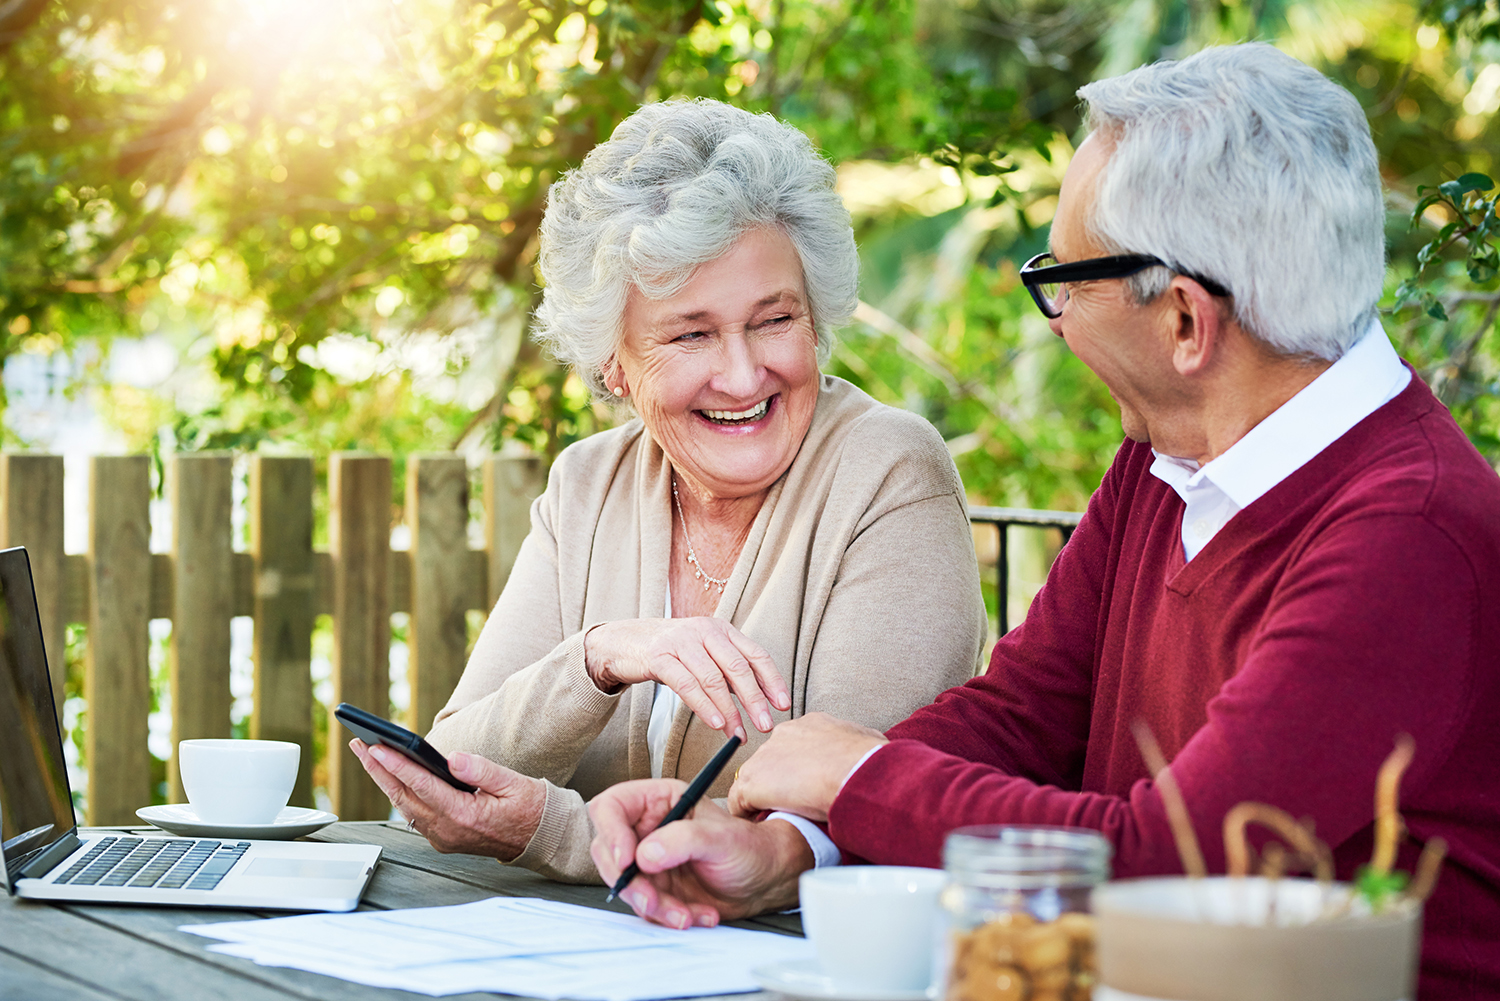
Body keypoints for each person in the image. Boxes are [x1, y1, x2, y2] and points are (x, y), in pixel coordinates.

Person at [587, 45, 1500, 997]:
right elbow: (1021, 716)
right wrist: (796, 841)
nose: (1053, 321)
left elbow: (1175, 862)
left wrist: (858, 778)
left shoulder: (1409, 535)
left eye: (1064, 281)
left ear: (1186, 322)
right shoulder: (1168, 460)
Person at [349, 98, 987, 885]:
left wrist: (558, 831)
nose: (745, 374)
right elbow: (455, 772)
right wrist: (603, 655)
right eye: (691, 334)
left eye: (773, 319)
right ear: (614, 364)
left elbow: (838, 821)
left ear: (814, 318)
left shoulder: (888, 472)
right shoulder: (589, 483)